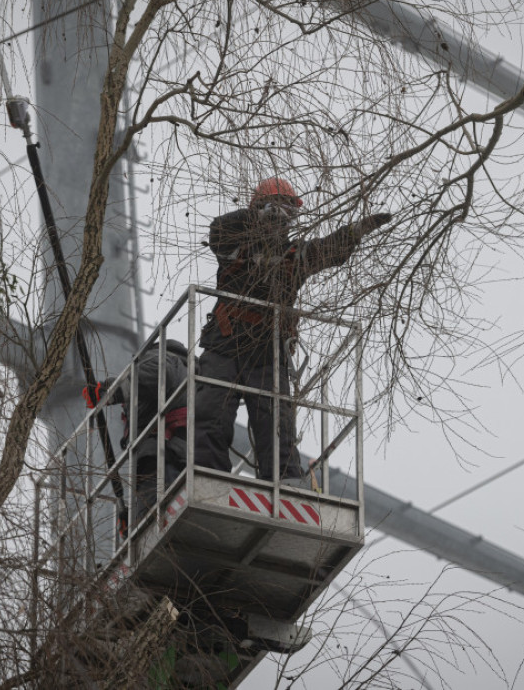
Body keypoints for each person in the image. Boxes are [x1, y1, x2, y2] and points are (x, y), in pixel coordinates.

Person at [194, 176, 391, 482]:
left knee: (276, 426)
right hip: (226, 341)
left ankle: (284, 485)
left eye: (288, 213)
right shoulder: (235, 245)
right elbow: (219, 231)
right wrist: (255, 216)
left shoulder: (294, 256)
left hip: (268, 350)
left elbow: (327, 251)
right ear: (258, 210)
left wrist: (354, 232)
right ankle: (207, 478)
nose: (281, 220)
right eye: (274, 210)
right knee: (211, 415)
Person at [83, 340, 190, 522]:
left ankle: (139, 523)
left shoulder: (161, 357)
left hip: (163, 457)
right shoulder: (191, 374)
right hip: (177, 456)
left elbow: (157, 374)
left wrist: (110, 393)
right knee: (147, 518)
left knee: (151, 520)